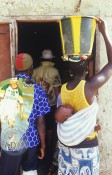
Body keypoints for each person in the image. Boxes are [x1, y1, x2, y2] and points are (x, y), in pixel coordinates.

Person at [56, 18, 112, 175]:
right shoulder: (89, 87)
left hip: (66, 148)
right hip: (86, 148)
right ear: (87, 69)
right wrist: (104, 32)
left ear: (69, 70)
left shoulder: (63, 89)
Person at [0, 53, 50, 175]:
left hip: (11, 139)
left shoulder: (3, 87)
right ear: (31, 68)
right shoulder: (38, 90)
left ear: (16, 68)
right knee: (30, 172)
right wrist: (43, 145)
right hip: (31, 140)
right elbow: (41, 122)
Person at [32, 50, 61, 153]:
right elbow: (57, 91)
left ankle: (39, 144)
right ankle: (48, 146)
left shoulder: (35, 71)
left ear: (42, 59)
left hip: (37, 103)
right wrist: (59, 105)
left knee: (38, 123)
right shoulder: (55, 71)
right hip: (51, 103)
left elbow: (31, 88)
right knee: (49, 126)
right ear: (52, 58)